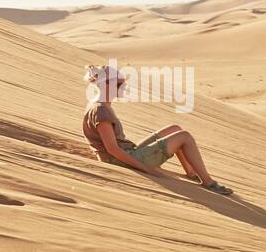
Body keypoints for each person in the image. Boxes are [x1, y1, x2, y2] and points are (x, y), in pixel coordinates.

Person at [81, 64, 233, 195]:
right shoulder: (101, 110)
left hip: (126, 153)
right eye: (119, 84)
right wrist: (146, 169)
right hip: (119, 160)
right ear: (106, 84)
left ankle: (191, 172)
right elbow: (112, 149)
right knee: (184, 137)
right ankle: (208, 182)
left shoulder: (99, 104)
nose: (124, 87)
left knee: (175, 129)